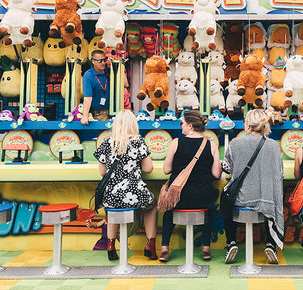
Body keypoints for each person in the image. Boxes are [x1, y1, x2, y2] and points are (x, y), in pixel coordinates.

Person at [221, 109, 284, 265]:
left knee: (225, 199)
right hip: (266, 201)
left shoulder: (235, 143)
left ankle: (231, 242)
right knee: (274, 202)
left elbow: (227, 169)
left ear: (248, 125)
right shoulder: (273, 146)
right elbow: (279, 174)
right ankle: (271, 244)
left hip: (240, 200)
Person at [94, 109, 158, 261]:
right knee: (152, 206)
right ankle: (150, 244)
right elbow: (148, 168)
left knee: (112, 210)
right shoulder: (138, 142)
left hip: (111, 194)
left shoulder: (106, 143)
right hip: (135, 192)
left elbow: (102, 172)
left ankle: (110, 246)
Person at [160, 110, 221, 262]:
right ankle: (206, 248)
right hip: (202, 196)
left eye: (182, 123)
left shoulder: (175, 143)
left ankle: (164, 248)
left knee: (169, 209)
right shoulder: (211, 145)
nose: (181, 126)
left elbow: (166, 170)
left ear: (190, 126)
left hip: (179, 196)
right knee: (210, 209)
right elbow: (217, 174)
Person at [82, 50, 110, 123]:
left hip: (113, 112)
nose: (103, 63)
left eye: (105, 60)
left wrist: (120, 66)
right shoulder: (88, 76)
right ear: (93, 61)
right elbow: (87, 98)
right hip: (98, 114)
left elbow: (126, 84)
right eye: (100, 61)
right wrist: (85, 116)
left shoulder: (110, 71)